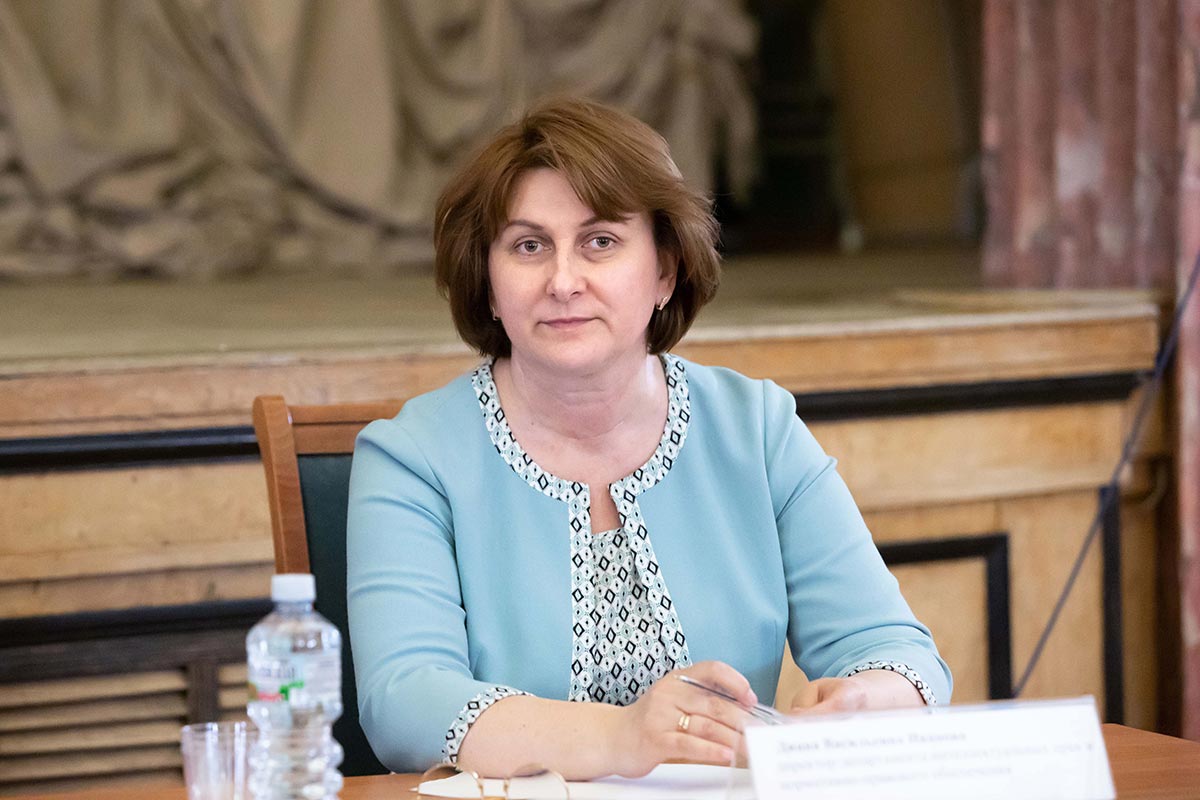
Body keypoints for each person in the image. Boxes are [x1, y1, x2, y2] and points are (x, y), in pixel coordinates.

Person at [346, 97, 951, 779]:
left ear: (665, 270)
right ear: (488, 283)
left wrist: (867, 701)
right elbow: (405, 704)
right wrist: (622, 737)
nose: (563, 281)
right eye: (528, 246)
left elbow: (898, 651)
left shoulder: (756, 429)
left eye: (600, 242)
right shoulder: (413, 457)